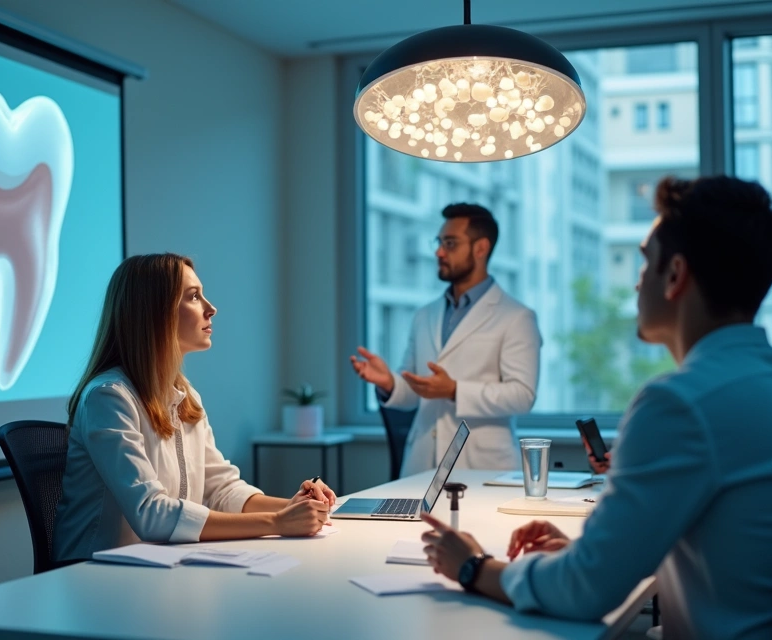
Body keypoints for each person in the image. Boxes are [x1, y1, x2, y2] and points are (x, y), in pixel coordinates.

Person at [420, 176, 772, 639]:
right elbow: (739, 557)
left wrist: (473, 566)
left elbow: (585, 593)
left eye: (645, 262)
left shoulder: (682, 402)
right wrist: (596, 555)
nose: (636, 280)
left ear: (675, 275)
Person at [53, 254, 335, 563]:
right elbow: (152, 514)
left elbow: (222, 489)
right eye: (194, 297)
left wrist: (293, 508)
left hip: (157, 567)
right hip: (92, 575)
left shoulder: (186, 397)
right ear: (154, 313)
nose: (211, 308)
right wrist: (278, 523)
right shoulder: (108, 398)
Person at [350, 203, 542, 475]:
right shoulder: (424, 315)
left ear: (480, 248)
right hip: (421, 465)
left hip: (482, 466)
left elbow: (522, 395)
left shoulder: (516, 317)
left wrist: (454, 390)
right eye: (439, 242)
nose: (439, 252)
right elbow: (417, 393)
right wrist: (390, 383)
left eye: (450, 243)